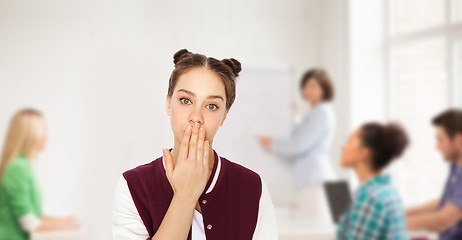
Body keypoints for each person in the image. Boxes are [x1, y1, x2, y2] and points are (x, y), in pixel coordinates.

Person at [112, 49, 278, 240]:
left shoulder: (253, 187)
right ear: (168, 103)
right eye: (185, 100)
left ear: (224, 115)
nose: (196, 118)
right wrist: (185, 195)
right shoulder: (133, 186)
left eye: (212, 106)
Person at [258, 68, 336, 220]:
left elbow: (299, 144)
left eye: (312, 86)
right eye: (305, 86)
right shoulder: (316, 113)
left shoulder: (322, 113)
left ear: (324, 88)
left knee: (314, 231)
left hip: (317, 181)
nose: (307, 90)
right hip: (315, 181)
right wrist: (295, 114)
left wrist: (272, 143)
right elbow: (301, 135)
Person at [0, 109, 79, 240]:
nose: (46, 136)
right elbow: (29, 223)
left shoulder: (22, 165)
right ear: (30, 134)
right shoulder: (18, 168)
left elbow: (31, 215)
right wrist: (68, 224)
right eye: (44, 130)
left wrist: (64, 220)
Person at [337, 122, 409, 240]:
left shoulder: (369, 199)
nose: (343, 147)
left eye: (350, 142)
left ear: (363, 153)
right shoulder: (387, 191)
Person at [406, 109, 462, 240]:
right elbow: (448, 202)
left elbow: (442, 221)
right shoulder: (456, 168)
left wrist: (391, 223)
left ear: (458, 140)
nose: (437, 146)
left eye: (440, 140)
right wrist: (403, 212)